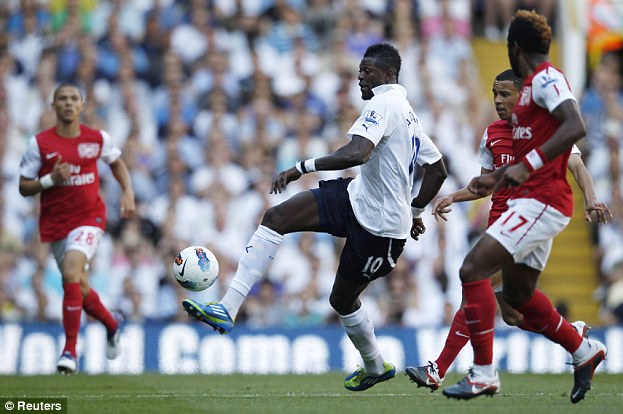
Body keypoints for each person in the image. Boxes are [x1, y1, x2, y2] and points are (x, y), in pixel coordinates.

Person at [182, 43, 448, 391]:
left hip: (380, 230)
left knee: (341, 300)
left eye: (367, 70)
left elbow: (359, 152)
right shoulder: (406, 111)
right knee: (276, 216)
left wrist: (300, 167)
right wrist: (414, 210)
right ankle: (227, 308)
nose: (360, 76)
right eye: (359, 71)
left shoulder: (385, 103)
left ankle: (374, 365)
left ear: (388, 74)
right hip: (356, 199)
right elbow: (437, 168)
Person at [405, 69, 612, 391]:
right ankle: (576, 338)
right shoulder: (493, 132)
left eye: (505, 94)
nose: (498, 101)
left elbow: (576, 166)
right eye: (494, 94)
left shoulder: (545, 130)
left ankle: (438, 369)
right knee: (514, 314)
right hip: (500, 223)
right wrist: (453, 197)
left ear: (523, 96)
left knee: (476, 280)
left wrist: (592, 198)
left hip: (527, 220)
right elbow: (485, 184)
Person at [438, 11, 608, 402]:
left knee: (472, 269)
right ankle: (583, 349)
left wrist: (525, 166)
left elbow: (575, 126)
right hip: (534, 200)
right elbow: (530, 156)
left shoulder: (547, 79)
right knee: (518, 299)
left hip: (542, 202)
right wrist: (493, 180)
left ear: (515, 48)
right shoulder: (529, 92)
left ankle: (483, 373)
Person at [19, 84, 136, 374]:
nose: (68, 103)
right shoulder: (40, 144)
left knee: (72, 271)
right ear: (53, 106)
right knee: (79, 287)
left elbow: (116, 162)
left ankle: (69, 351)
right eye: (63, 99)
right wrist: (49, 180)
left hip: (90, 217)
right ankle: (111, 324)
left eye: (74, 99)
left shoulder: (96, 139)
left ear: (82, 105)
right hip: (56, 223)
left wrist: (128, 192)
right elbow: (23, 186)